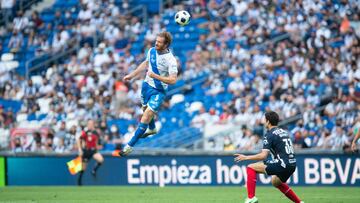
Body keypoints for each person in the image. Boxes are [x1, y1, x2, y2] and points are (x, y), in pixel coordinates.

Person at [118, 31, 178, 156]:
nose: (156, 43)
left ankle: (129, 146)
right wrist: (132, 75)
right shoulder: (151, 51)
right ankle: (152, 128)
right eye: (156, 41)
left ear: (166, 44)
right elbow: (146, 63)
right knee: (144, 109)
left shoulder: (170, 60)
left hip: (159, 91)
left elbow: (173, 80)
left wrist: (155, 76)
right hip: (146, 86)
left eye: (160, 42)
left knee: (146, 116)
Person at [234, 111, 303, 203]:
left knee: (250, 168)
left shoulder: (270, 134)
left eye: (264, 120)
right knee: (275, 182)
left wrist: (246, 157)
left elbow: (263, 155)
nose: (263, 122)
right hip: (292, 164)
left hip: (282, 163)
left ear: (268, 122)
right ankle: (299, 202)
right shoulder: (284, 132)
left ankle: (251, 198)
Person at [77, 119, 104, 186]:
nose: (90, 125)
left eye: (91, 124)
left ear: (93, 124)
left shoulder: (96, 133)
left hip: (93, 151)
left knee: (101, 160)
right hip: (86, 151)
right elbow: (79, 139)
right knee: (83, 168)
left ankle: (94, 170)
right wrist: (80, 149)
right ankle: (79, 181)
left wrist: (97, 148)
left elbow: (97, 142)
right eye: (89, 124)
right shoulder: (85, 132)